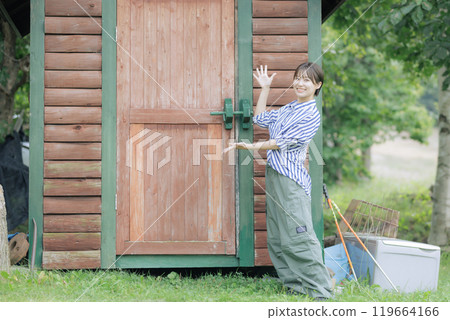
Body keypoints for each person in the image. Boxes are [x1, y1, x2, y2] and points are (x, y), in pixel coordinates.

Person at [226, 62, 332, 300]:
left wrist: (251, 146)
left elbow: (280, 142)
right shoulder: (292, 107)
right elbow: (261, 119)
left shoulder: (310, 115)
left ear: (317, 85)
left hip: (291, 181)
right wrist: (264, 88)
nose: (300, 83)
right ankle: (295, 285)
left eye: (307, 80)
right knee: (277, 235)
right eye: (298, 78)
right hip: (275, 174)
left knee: (298, 234)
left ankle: (320, 291)